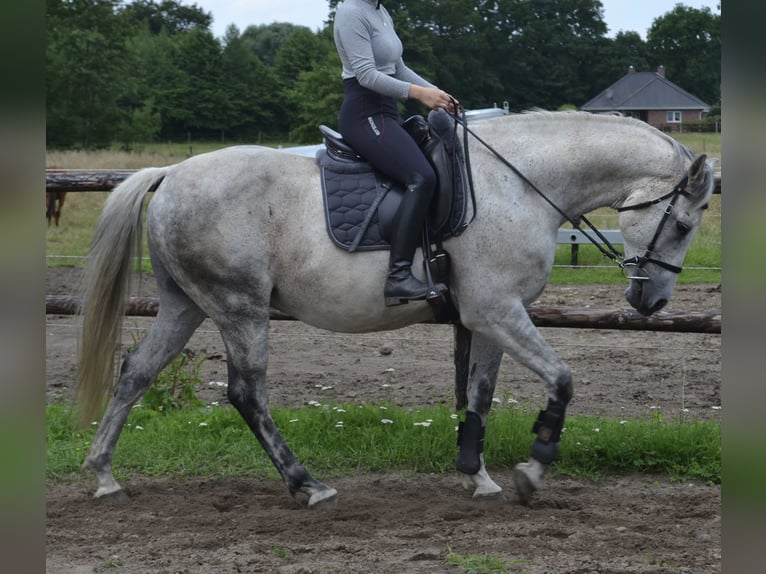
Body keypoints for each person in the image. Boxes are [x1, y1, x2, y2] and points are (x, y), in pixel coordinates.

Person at [333, 0, 458, 306]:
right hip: (365, 114)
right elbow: (366, 75)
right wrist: (420, 94)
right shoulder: (351, 11)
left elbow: (398, 69)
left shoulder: (380, 10)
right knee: (421, 176)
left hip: (386, 113)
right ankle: (398, 275)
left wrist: (438, 94)